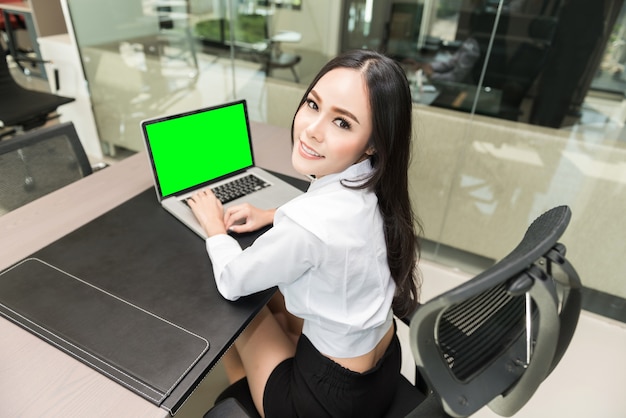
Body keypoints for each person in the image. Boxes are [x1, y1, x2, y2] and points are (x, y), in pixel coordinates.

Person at [188, 49, 422, 417]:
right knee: (277, 309)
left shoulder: (307, 226)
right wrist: (273, 213)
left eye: (342, 123)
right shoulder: (378, 188)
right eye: (313, 104)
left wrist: (216, 231)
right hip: (384, 367)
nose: (312, 130)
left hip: (324, 403)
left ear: (373, 142)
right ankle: (259, 379)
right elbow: (334, 226)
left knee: (240, 312)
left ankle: (243, 401)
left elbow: (233, 281)